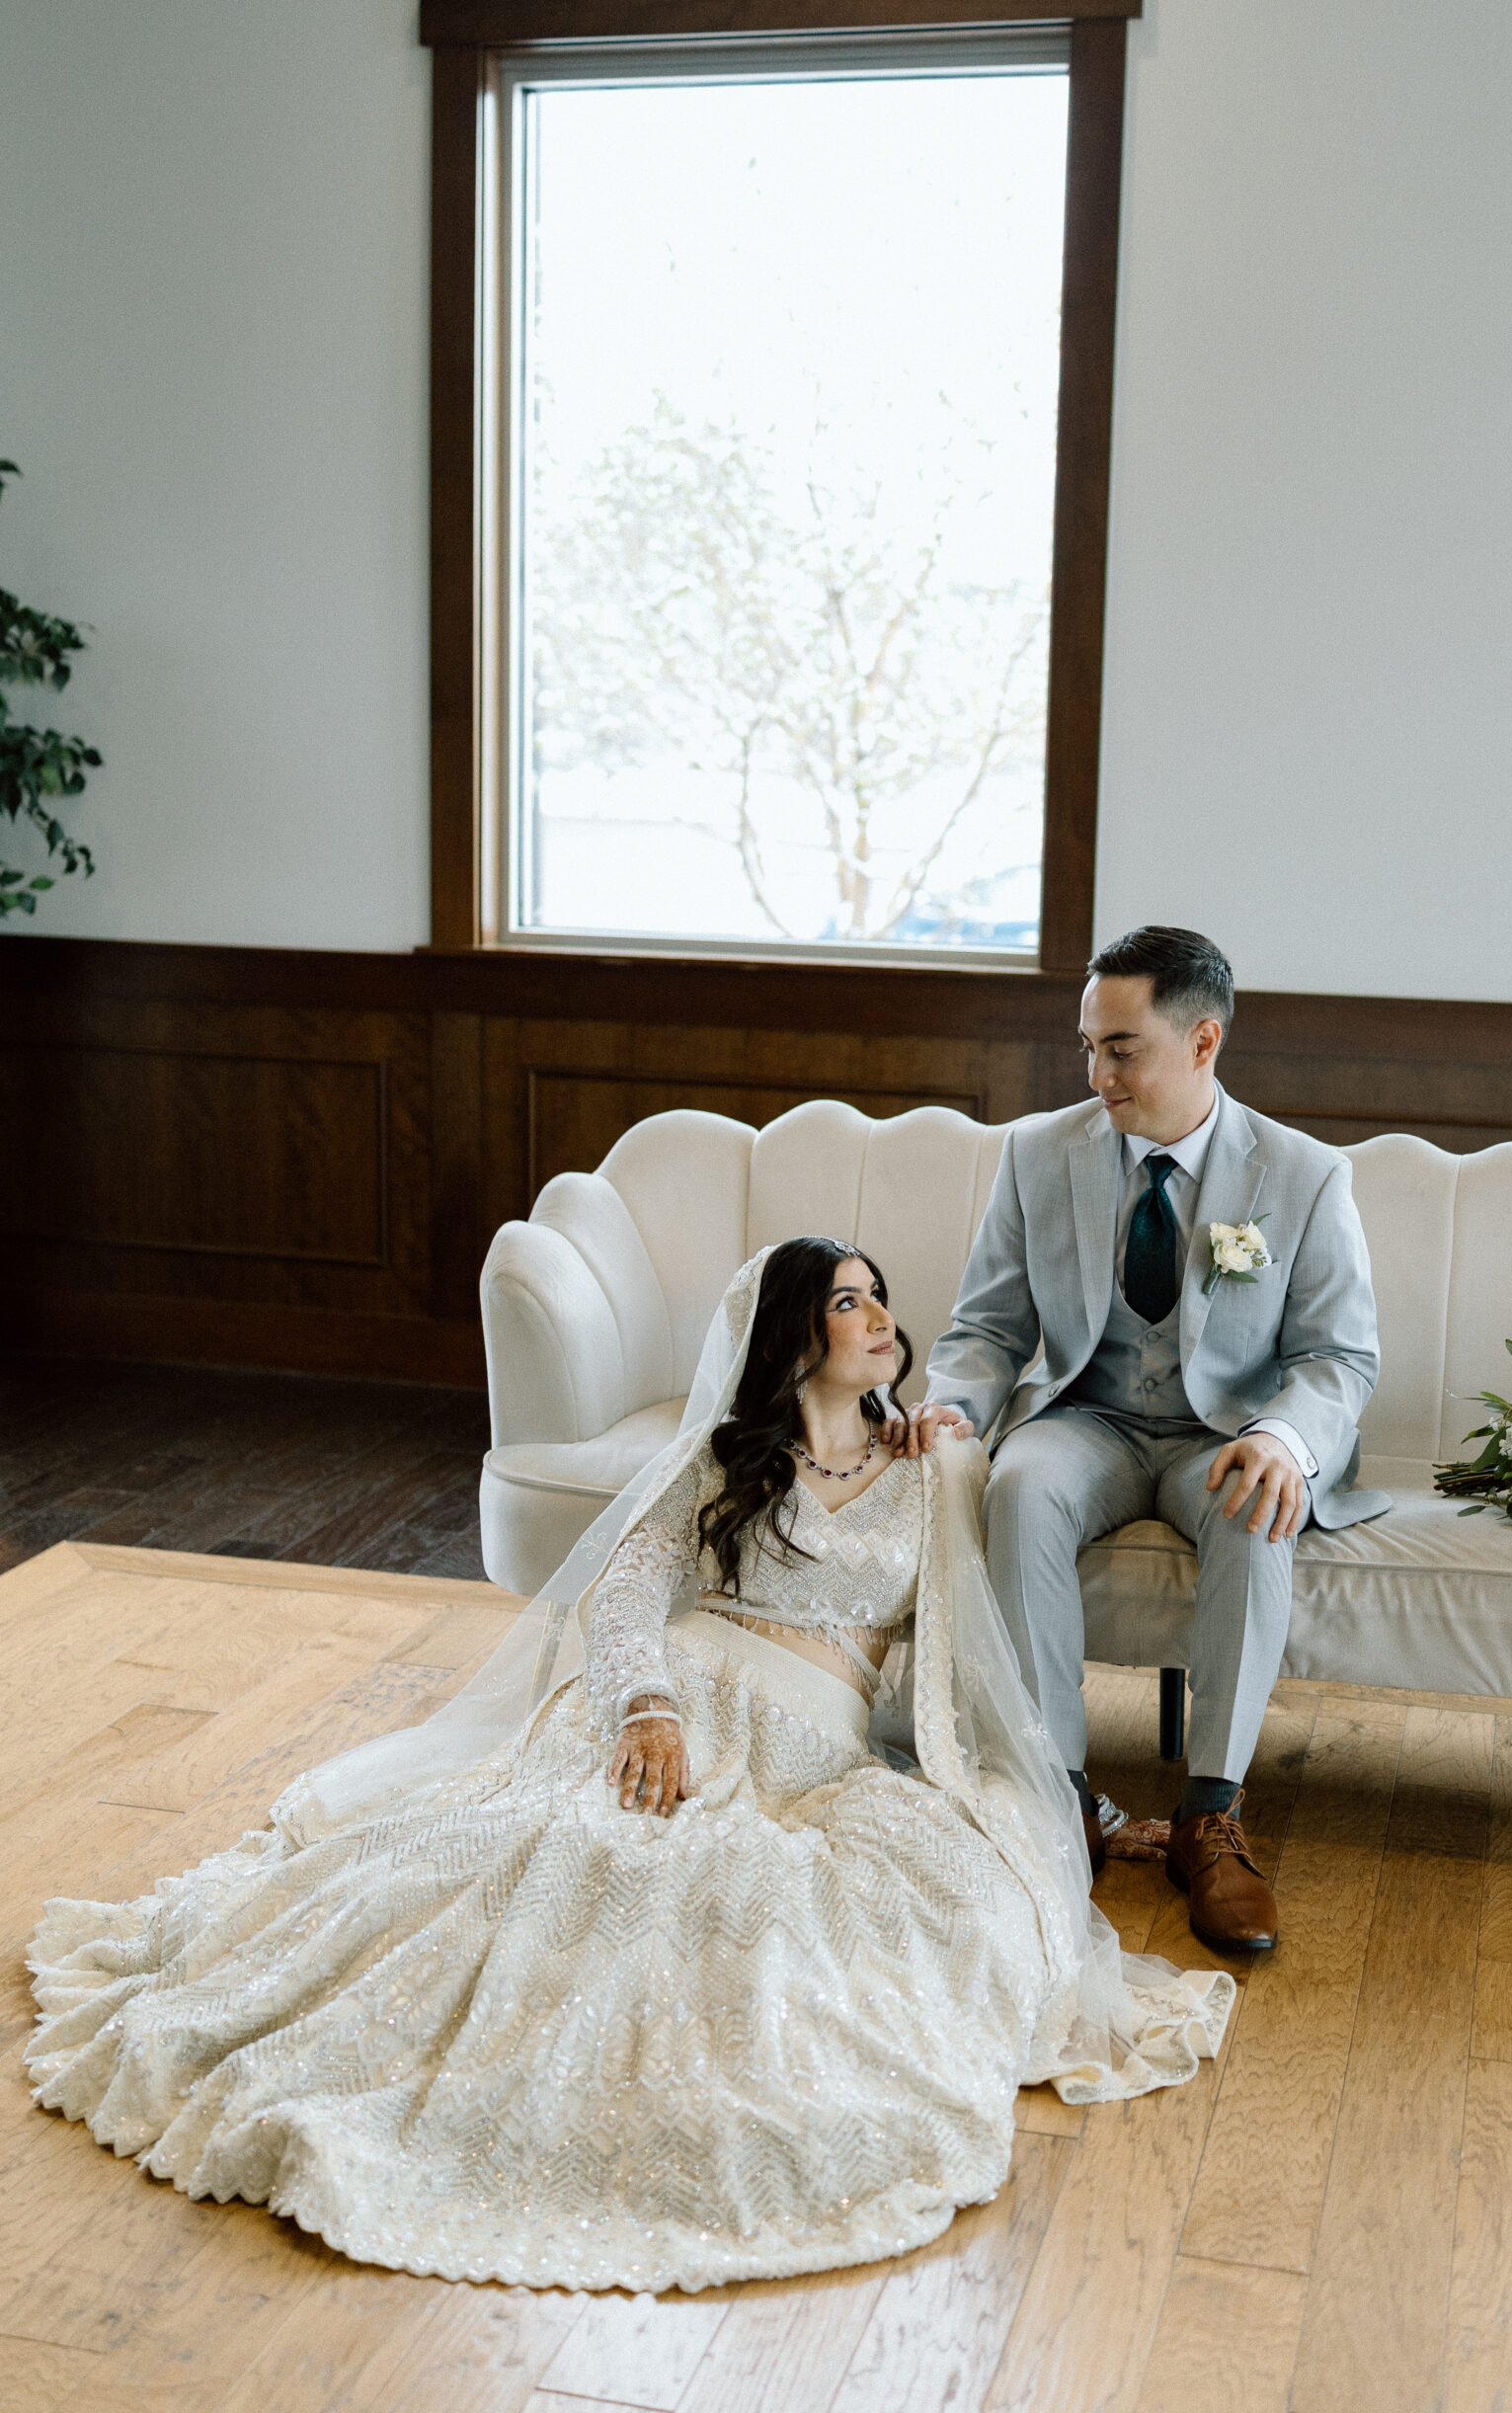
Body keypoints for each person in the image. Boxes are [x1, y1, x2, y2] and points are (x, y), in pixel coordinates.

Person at [27, 1239, 1232, 2297]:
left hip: (813, 1754)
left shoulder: (934, 1466)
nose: (880, 1317)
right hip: (679, 1708)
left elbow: (975, 1667)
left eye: (877, 1298)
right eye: (847, 1301)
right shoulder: (726, 1457)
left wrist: (1060, 1801)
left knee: (914, 1910)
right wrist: (643, 1707)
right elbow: (624, 1596)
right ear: (789, 1338)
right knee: (561, 1859)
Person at [903, 928, 1388, 1954]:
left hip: (1224, 1435)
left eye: (1121, 1050)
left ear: (1203, 1041)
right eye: (1088, 1047)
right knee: (1019, 1487)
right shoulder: (1038, 1154)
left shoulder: (1303, 1175)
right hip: (1090, 1418)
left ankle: (1211, 1815)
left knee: (1258, 1504)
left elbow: (1338, 1356)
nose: (1097, 1076)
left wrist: (1282, 1438)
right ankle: (1055, 1795)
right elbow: (987, 1327)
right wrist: (954, 1406)